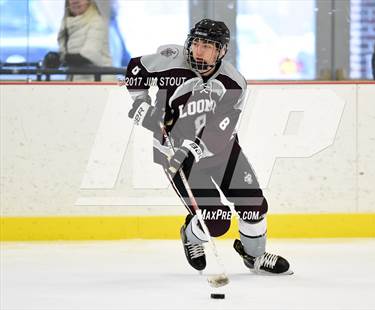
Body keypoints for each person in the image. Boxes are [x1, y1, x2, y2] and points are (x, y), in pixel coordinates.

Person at [125, 19, 292, 275]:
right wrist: (141, 102)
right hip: (176, 156)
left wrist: (197, 148)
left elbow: (221, 129)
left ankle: (254, 256)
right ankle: (191, 236)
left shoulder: (233, 82)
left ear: (221, 51)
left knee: (254, 204)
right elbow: (137, 68)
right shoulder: (171, 60)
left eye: (207, 46)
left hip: (222, 151)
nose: (198, 51)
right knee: (216, 221)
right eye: (196, 43)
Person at [57, 0, 113, 81]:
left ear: (89, 1)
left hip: (98, 83)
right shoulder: (65, 25)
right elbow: (64, 53)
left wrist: (61, 58)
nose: (75, 1)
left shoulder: (96, 21)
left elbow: (89, 55)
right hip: (76, 81)